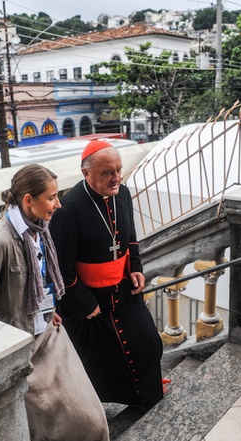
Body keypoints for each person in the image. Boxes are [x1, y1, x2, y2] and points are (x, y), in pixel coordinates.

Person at [0, 164, 109, 441]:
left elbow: (41, 281)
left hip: (50, 333)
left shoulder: (40, 229)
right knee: (61, 425)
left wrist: (50, 308)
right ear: (28, 200)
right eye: (51, 197)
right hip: (23, 350)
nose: (58, 204)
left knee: (91, 416)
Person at [49, 140, 164, 410]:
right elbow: (60, 267)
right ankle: (106, 409)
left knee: (148, 343)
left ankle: (148, 397)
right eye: (107, 173)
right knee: (98, 362)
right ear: (86, 173)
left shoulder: (123, 194)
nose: (116, 178)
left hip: (123, 291)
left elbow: (131, 239)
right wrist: (85, 304)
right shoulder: (68, 210)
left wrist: (136, 268)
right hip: (90, 301)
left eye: (118, 170)